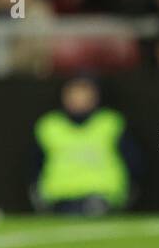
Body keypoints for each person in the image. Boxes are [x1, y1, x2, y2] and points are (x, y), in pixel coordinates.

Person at [30, 75, 137, 215]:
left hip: (103, 195)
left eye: (84, 94)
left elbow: (133, 160)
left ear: (95, 97)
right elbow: (33, 163)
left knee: (94, 208)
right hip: (58, 197)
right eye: (74, 94)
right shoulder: (49, 125)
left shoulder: (110, 123)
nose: (79, 99)